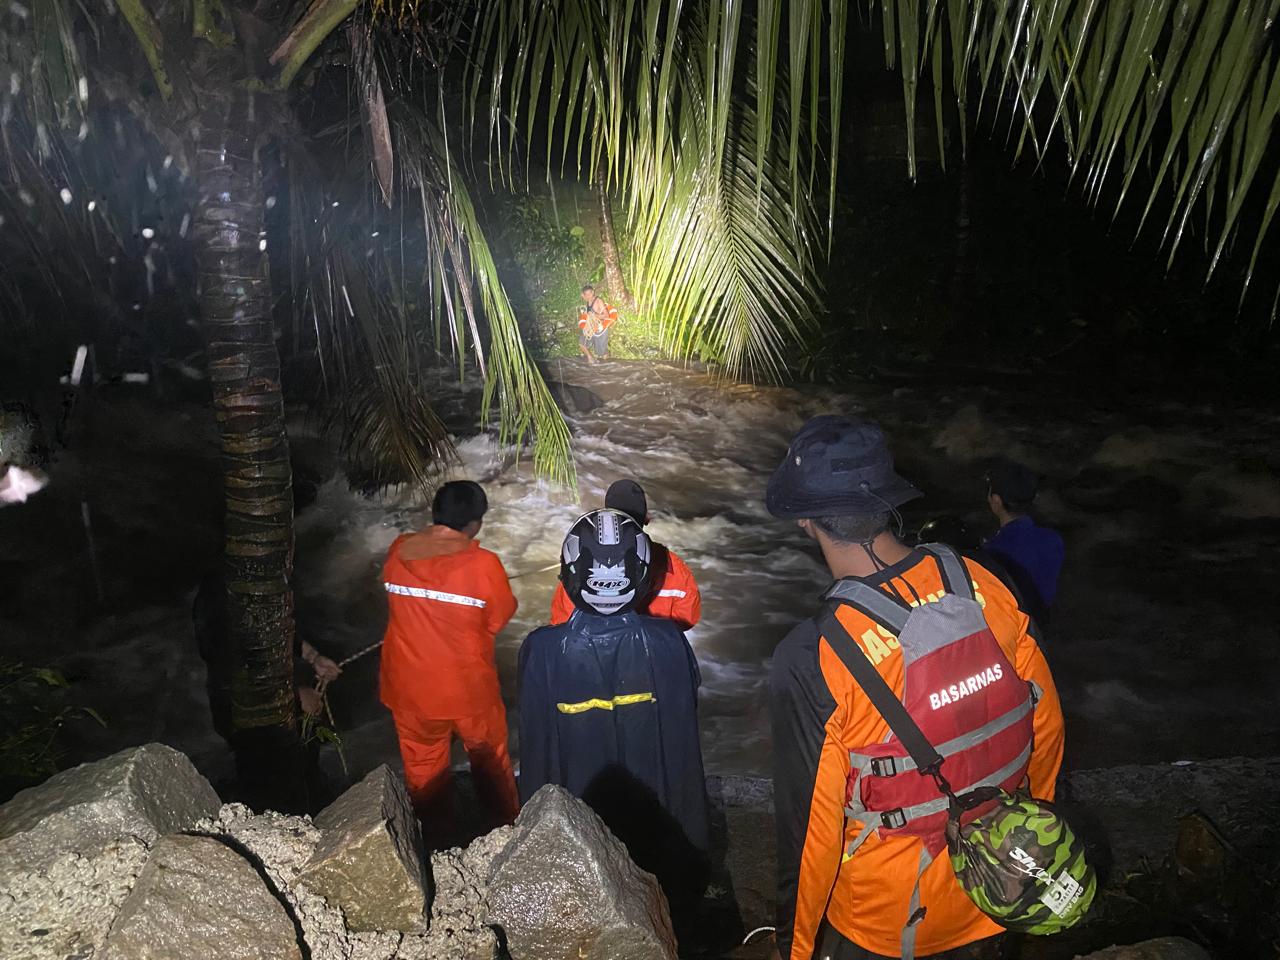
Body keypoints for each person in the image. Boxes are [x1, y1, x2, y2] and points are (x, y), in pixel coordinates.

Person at [766, 416, 1065, 960]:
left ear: (805, 520)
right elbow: (1045, 724)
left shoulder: (814, 656)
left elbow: (809, 833)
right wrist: (1026, 844)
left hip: (885, 925)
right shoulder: (989, 582)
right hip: (994, 889)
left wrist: (796, 949)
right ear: (886, 502)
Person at [519, 508, 710, 912]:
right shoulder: (669, 642)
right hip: (658, 839)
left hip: (578, 844)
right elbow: (683, 755)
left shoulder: (543, 650)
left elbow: (537, 755)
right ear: (642, 576)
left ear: (570, 575)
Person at [378, 480, 520, 836]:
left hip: (409, 689)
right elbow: (498, 619)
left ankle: (435, 842)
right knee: (491, 765)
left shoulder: (398, 550)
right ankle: (504, 833)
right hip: (468, 691)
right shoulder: (483, 564)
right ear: (475, 524)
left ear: (435, 513)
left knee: (424, 771)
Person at [549, 479, 701, 629]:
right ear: (646, 518)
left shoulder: (582, 568)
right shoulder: (674, 568)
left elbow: (561, 621)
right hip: (654, 650)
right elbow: (688, 619)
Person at [983, 460, 1065, 625]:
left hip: (1012, 630)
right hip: (1042, 627)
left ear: (996, 501)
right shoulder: (1052, 539)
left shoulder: (992, 551)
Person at [577, 283, 618, 364]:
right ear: (584, 295)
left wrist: (594, 315)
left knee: (602, 352)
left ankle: (607, 366)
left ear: (593, 292)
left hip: (600, 329)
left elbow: (606, 315)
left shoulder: (598, 301)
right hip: (591, 329)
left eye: (590, 293)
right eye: (586, 294)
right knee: (582, 343)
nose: (588, 296)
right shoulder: (588, 301)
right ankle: (590, 358)